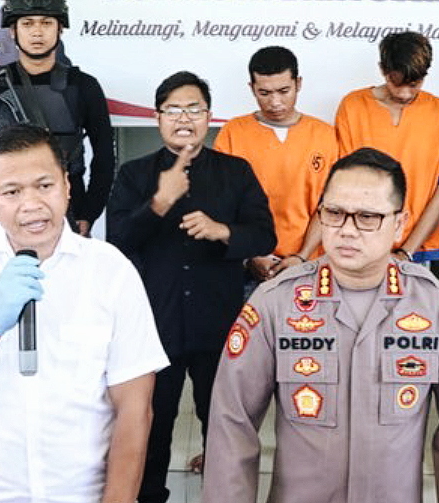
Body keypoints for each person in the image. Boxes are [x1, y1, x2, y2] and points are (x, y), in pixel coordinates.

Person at [201, 147, 439, 503]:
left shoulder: (438, 308)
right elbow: (232, 425)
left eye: (367, 217)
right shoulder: (275, 303)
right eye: (334, 213)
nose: (347, 230)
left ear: (400, 223)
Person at [0, 124, 169, 502]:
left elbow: (135, 409)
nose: (32, 204)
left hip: (81, 495)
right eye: (12, 192)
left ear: (67, 186)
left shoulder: (110, 270)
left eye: (44, 185)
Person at [107, 71, 276, 503]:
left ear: (208, 116)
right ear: (158, 117)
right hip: (153, 326)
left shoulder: (236, 172)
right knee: (151, 425)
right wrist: (159, 203)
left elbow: (264, 235)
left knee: (222, 424)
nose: (184, 118)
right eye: (174, 110)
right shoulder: (134, 174)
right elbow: (118, 242)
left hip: (217, 322)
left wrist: (223, 231)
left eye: (194, 109)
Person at [0, 0, 113, 237]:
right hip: (6, 213)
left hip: (68, 212)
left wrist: (89, 213)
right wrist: (1, 148)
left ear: (60, 29)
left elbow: (104, 158)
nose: (37, 32)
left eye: (46, 23)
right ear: (13, 31)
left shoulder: (84, 86)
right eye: (27, 23)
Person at [214, 46, 338, 281]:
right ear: (252, 88)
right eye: (264, 93)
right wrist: (250, 255)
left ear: (298, 84)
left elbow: (331, 206)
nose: (275, 102)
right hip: (247, 268)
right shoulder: (232, 133)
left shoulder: (326, 136)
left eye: (284, 91)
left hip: (312, 265)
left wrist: (302, 256)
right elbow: (223, 205)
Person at [335, 31, 439, 265]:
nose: (404, 93)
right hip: (360, 245)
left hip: (417, 249)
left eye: (414, 84)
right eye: (396, 82)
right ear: (382, 69)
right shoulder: (353, 106)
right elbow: (346, 185)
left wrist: (406, 253)